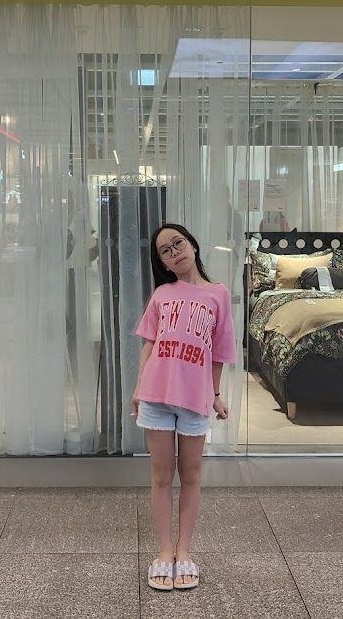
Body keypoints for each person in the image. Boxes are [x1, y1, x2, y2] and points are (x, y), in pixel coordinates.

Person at [131, 222, 237, 592]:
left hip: (195, 400)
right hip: (156, 396)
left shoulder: (219, 295)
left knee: (191, 476)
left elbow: (219, 353)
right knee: (161, 477)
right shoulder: (162, 294)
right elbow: (149, 342)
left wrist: (216, 394)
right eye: (165, 251)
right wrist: (137, 387)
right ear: (162, 262)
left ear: (192, 244)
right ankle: (163, 551)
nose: (174, 252)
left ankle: (184, 551)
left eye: (178, 243)